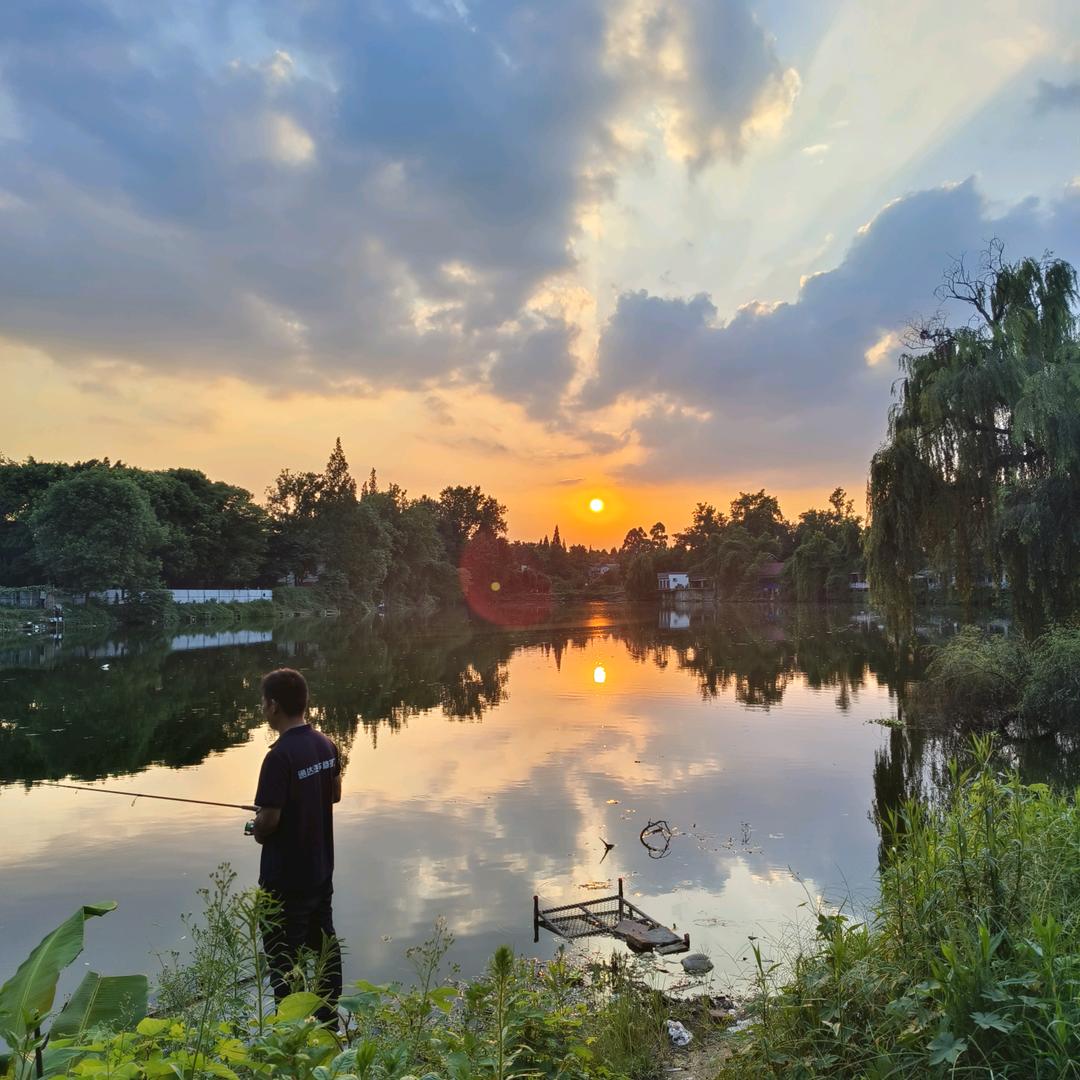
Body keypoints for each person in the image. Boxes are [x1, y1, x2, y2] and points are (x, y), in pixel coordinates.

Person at [251, 667, 342, 1022]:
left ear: (273, 705)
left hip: (285, 884)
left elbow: (268, 822)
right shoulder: (326, 745)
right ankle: (330, 1022)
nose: (263, 708)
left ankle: (289, 1032)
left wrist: (256, 828)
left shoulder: (279, 757)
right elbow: (334, 794)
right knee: (324, 952)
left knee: (283, 962)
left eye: (263, 702)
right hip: (320, 873)